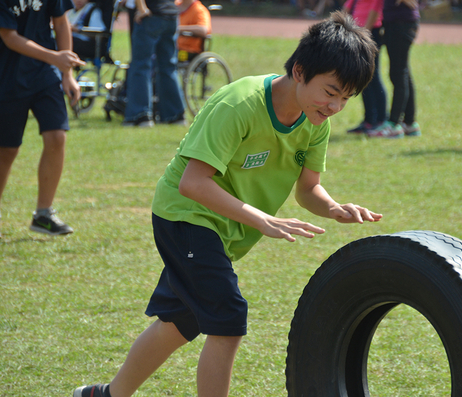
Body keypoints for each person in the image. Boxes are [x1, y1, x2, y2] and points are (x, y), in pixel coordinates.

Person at [72, 11, 380, 397]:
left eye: (345, 99)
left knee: (178, 323)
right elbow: (192, 183)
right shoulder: (240, 105)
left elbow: (308, 190)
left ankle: (105, 395)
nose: (335, 106)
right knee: (229, 319)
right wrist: (261, 218)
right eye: (331, 92)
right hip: (186, 216)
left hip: (221, 228)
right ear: (300, 71)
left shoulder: (316, 120)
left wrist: (333, 207)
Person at [0, 0, 85, 238]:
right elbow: (9, 37)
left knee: (57, 136)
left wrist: (67, 74)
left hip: (44, 75)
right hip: (8, 77)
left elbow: (60, 22)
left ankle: (43, 214)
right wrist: (54, 57)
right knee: (6, 150)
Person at [122, 0, 186, 127]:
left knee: (141, 66)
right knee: (168, 67)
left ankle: (140, 114)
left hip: (152, 14)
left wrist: (141, 9)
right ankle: (175, 114)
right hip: (171, 15)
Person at [368, 0, 420, 138]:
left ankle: (394, 123)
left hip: (400, 24)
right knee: (403, 72)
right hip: (397, 23)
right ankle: (409, 122)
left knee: (398, 73)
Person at [343, 0, 387, 134]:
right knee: (363, 77)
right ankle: (369, 120)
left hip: (370, 33)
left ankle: (381, 120)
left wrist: (364, 34)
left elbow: (376, 8)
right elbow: (348, 6)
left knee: (373, 76)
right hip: (358, 33)